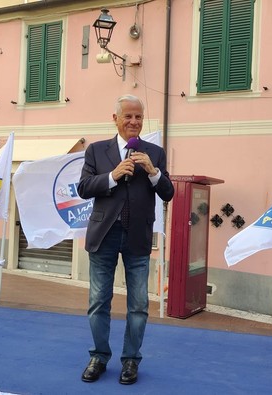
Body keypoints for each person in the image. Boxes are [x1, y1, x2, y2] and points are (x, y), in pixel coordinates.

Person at [77, 94, 175, 385]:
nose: (134, 122)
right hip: (104, 236)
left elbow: (168, 193)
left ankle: (131, 360)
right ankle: (99, 356)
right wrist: (112, 175)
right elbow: (83, 188)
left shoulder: (154, 153)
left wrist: (154, 173)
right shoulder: (96, 151)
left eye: (139, 117)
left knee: (138, 305)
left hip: (138, 238)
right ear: (115, 118)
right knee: (98, 301)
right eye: (128, 116)